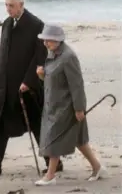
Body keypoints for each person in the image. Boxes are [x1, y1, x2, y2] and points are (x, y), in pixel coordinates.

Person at [0, 0, 64, 175]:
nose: (8, 9)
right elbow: (3, 54)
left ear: (21, 5)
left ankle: (54, 162)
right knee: (1, 123)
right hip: (6, 86)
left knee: (37, 125)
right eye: (6, 5)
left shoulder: (36, 25)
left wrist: (28, 81)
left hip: (26, 87)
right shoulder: (7, 23)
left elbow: (40, 56)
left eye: (11, 6)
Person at [35, 25, 107, 186]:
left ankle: (50, 175)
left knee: (54, 137)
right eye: (45, 40)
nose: (46, 43)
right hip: (53, 105)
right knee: (80, 140)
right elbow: (54, 79)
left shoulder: (68, 57)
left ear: (59, 40)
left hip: (66, 107)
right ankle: (97, 167)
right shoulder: (53, 52)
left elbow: (77, 85)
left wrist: (79, 108)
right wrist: (42, 75)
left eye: (49, 40)